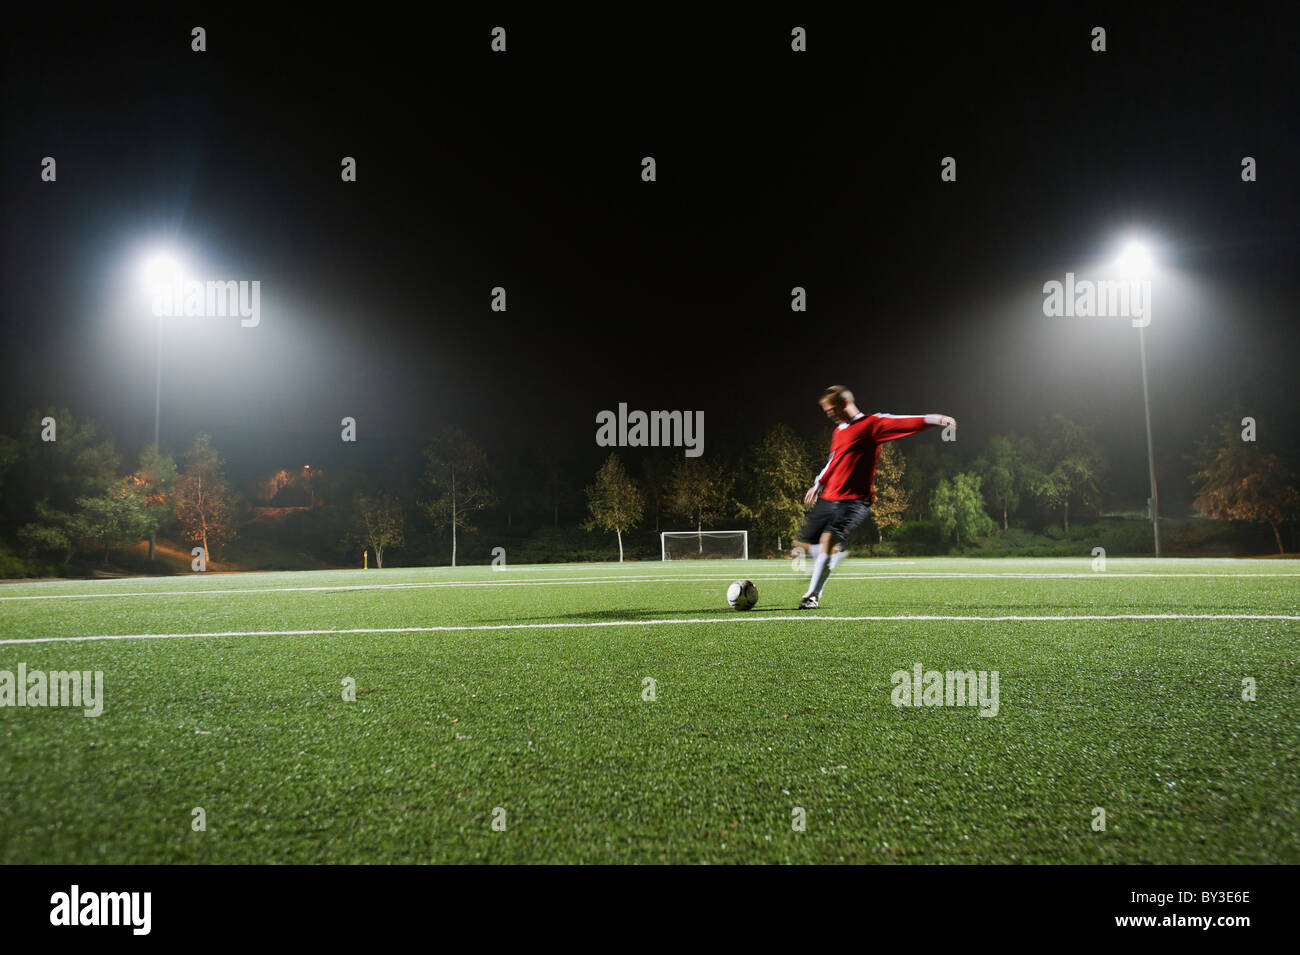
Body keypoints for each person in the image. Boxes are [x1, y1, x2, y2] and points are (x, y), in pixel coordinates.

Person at [793, 385, 956, 608]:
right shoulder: (839, 431)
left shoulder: (872, 424)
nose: (828, 414)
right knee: (800, 545)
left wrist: (938, 419)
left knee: (827, 541)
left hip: (855, 499)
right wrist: (818, 483)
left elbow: (906, 421)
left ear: (844, 404)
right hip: (830, 496)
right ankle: (831, 555)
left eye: (830, 409)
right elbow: (834, 459)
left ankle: (812, 596)